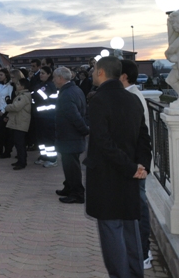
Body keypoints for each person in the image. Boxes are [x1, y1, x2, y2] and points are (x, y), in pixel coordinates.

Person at [85, 56, 151, 278]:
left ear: (101, 72)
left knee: (112, 230)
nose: (92, 73)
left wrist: (131, 167)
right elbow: (144, 138)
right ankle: (135, 273)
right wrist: (141, 166)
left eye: (94, 69)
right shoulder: (133, 99)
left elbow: (102, 142)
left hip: (108, 177)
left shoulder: (99, 100)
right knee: (130, 228)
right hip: (130, 175)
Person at [120, 59, 153, 270]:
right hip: (135, 160)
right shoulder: (131, 95)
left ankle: (144, 252)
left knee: (139, 206)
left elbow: (138, 134)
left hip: (137, 162)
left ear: (124, 76)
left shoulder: (132, 96)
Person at [52, 67, 89, 204]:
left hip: (70, 136)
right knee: (69, 165)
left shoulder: (67, 94)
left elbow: (74, 116)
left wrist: (85, 130)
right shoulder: (75, 89)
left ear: (60, 78)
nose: (53, 80)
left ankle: (77, 193)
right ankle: (69, 187)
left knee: (72, 166)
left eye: (54, 77)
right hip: (71, 136)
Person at [3, 78, 31, 170]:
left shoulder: (23, 96)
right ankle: (20, 160)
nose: (16, 85)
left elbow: (16, 107)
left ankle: (22, 162)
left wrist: (7, 106)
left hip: (20, 122)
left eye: (18, 84)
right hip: (17, 122)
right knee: (18, 143)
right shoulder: (20, 95)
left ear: (23, 86)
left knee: (20, 143)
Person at [33, 66, 58, 167]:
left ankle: (52, 159)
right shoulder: (40, 85)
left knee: (48, 139)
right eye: (40, 73)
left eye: (43, 73)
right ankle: (43, 156)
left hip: (48, 117)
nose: (41, 75)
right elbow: (34, 97)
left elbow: (44, 98)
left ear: (49, 74)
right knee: (41, 139)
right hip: (39, 116)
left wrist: (37, 91)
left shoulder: (51, 86)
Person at [0, 69, 13, 158]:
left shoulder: (10, 86)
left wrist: (3, 111)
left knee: (5, 133)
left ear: (6, 76)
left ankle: (7, 151)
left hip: (5, 111)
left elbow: (9, 100)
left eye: (1, 75)